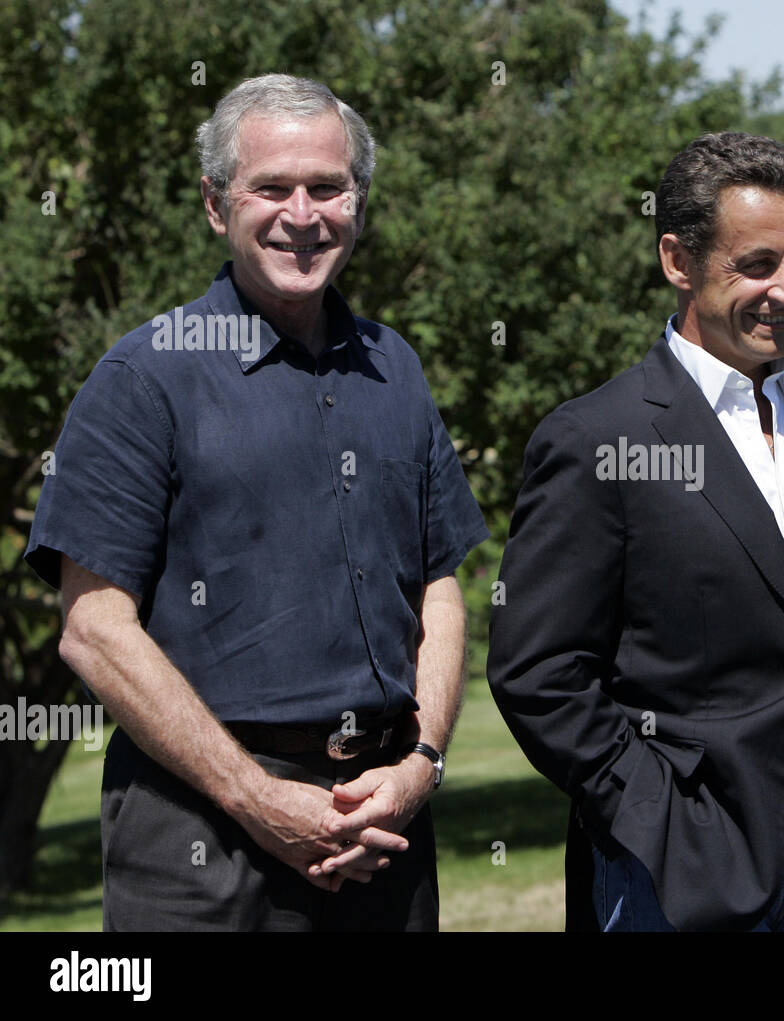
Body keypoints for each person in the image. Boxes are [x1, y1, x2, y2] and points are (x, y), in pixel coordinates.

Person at [25, 74, 487, 931]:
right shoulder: (142, 380)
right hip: (202, 847)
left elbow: (439, 586)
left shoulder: (398, 370)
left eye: (328, 187)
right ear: (215, 205)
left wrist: (421, 762)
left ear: (359, 199)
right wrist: (259, 797)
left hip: (383, 832)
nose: (302, 214)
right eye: (271, 187)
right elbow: (93, 630)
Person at [487, 132, 784, 932]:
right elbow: (538, 672)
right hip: (674, 861)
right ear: (679, 260)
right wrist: (655, 815)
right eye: (758, 263)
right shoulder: (596, 435)